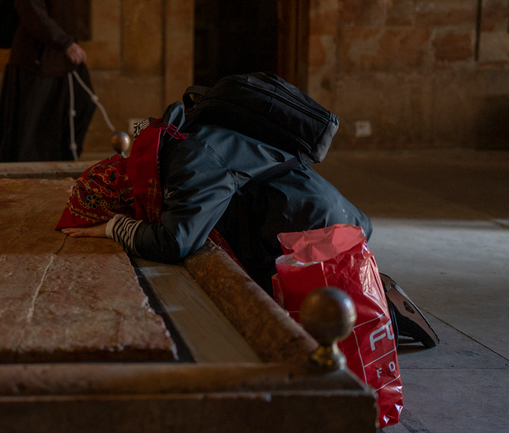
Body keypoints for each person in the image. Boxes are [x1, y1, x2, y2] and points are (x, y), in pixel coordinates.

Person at [57, 101, 373, 296]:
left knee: (328, 319)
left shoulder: (190, 165)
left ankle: (384, 299)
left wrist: (115, 227)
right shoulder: (168, 144)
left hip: (318, 230)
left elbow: (175, 241)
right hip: (299, 211)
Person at [0, 0, 96, 162]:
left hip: (60, 60)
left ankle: (63, 162)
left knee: (83, 104)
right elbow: (33, 15)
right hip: (35, 61)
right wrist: (65, 42)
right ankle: (21, 183)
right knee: (29, 127)